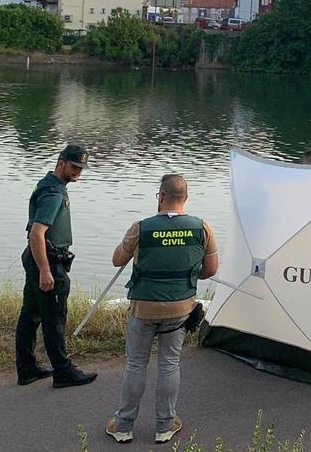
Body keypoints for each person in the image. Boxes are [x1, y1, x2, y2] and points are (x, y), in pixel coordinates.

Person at [106, 174, 218, 445]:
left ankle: (123, 426)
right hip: (180, 309)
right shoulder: (202, 228)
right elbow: (211, 270)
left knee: (135, 364)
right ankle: (164, 426)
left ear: (160, 197)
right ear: (186, 198)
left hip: (143, 308)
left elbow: (116, 260)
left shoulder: (141, 228)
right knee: (169, 364)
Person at [15, 144, 98, 388]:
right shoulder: (53, 193)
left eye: (81, 169)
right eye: (74, 167)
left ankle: (27, 368)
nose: (78, 173)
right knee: (54, 318)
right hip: (47, 260)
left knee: (30, 316)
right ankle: (63, 372)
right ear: (60, 161)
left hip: (37, 258)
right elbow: (37, 233)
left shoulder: (49, 185)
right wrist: (45, 271)